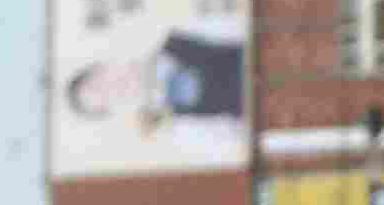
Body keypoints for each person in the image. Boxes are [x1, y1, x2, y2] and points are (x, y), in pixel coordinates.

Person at [65, 32, 248, 131]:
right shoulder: (179, 128)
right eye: (105, 99)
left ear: (104, 67)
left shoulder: (175, 37)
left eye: (98, 85)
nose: (113, 90)